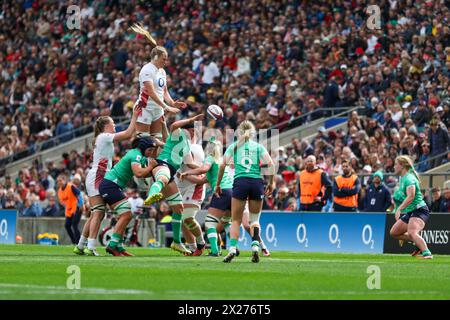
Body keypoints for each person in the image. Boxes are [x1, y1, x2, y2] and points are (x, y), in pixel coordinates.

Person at [74, 106, 141, 256]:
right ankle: (90, 247)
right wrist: (135, 116)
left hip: (98, 176)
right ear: (105, 126)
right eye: (112, 124)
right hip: (98, 177)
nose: (115, 126)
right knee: (98, 213)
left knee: (95, 213)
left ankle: (80, 245)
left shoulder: (102, 138)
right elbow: (128, 133)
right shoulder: (104, 136)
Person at [144, 114, 204, 255]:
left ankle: (176, 242)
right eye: (193, 130)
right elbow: (174, 126)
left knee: (178, 208)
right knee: (162, 179)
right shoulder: (181, 132)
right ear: (190, 130)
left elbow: (189, 163)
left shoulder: (187, 146)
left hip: (170, 171)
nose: (195, 133)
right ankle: (152, 195)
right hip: (162, 164)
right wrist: (190, 119)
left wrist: (205, 169)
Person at [215, 120, 275, 263]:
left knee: (235, 220)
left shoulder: (234, 147)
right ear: (253, 133)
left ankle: (232, 249)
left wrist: (218, 184)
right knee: (254, 220)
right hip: (256, 182)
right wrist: (271, 183)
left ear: (239, 133)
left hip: (240, 182)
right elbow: (271, 164)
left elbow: (222, 165)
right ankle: (255, 246)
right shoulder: (258, 147)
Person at [99, 137, 159, 256]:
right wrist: (152, 167)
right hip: (110, 185)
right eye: (150, 150)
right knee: (127, 214)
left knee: (125, 215)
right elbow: (138, 173)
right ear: (142, 148)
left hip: (112, 185)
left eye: (153, 150)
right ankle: (112, 245)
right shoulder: (136, 155)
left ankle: (119, 247)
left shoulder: (138, 155)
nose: (151, 153)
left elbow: (143, 174)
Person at [180, 139, 234, 257]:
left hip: (221, 191)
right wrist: (184, 176)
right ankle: (234, 248)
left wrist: (188, 173)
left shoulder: (210, 158)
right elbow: (202, 180)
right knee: (226, 222)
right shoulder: (221, 161)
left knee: (210, 223)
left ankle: (214, 251)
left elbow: (203, 170)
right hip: (231, 192)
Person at [133, 44, 185, 141]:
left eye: (166, 59)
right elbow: (151, 92)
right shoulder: (147, 70)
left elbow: (164, 91)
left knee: (157, 142)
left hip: (158, 109)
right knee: (144, 141)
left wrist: (172, 103)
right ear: (156, 57)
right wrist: (167, 107)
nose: (165, 62)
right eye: (163, 59)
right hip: (145, 108)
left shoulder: (162, 71)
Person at [389, 155, 433, 259]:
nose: (394, 167)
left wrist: (399, 209)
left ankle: (427, 253)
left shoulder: (409, 178)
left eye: (396, 164)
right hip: (411, 211)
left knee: (412, 232)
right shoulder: (403, 178)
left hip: (420, 210)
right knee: (394, 232)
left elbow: (411, 196)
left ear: (402, 166)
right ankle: (417, 243)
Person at [175, 143, 207, 256]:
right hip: (182, 190)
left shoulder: (196, 164)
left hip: (195, 190)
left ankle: (201, 243)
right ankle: (193, 248)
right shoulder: (179, 161)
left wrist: (184, 175)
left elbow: (201, 180)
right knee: (183, 222)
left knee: (187, 218)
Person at [57, 174, 81, 245]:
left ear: (64, 180)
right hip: (69, 210)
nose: (59, 182)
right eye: (58, 181)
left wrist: (81, 205)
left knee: (74, 225)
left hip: (76, 207)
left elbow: (79, 194)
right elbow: (62, 202)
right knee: (67, 225)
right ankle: (74, 242)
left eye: (60, 180)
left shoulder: (71, 186)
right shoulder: (59, 191)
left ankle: (79, 242)